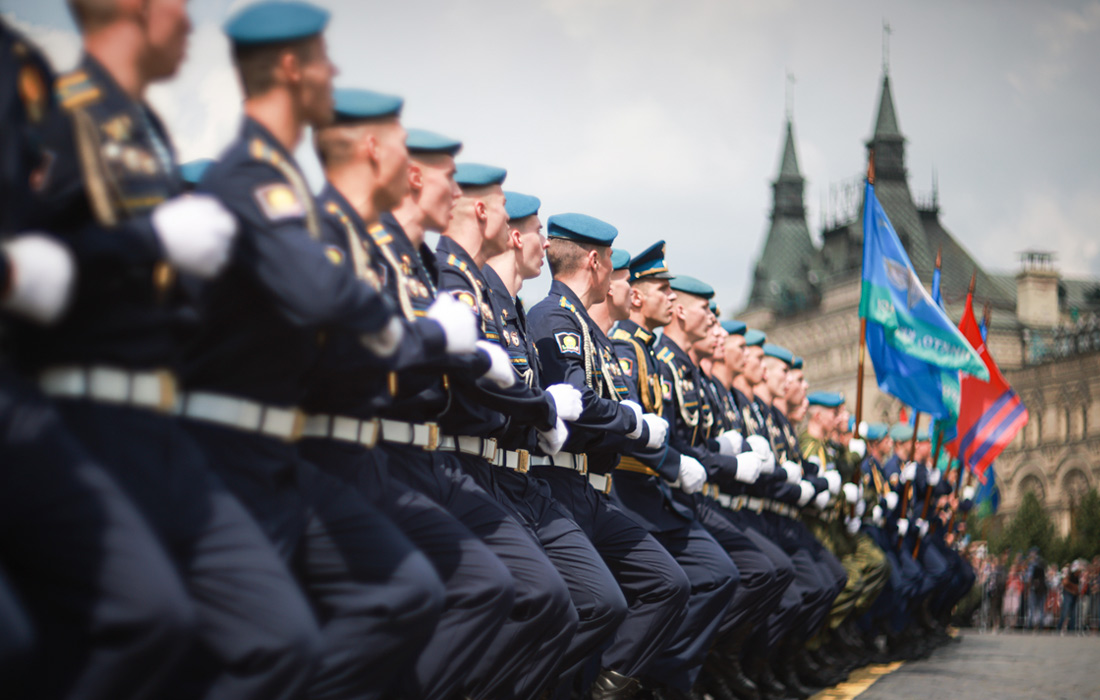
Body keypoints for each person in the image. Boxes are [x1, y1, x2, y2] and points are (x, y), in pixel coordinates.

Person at [20, 1, 337, 697]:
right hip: (89, 415)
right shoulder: (63, 114)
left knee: (278, 637)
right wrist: (148, 242)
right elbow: (31, 261)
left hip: (163, 429)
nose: (191, 21)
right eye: (178, 4)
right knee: (139, 626)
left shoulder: (146, 127)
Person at [183, 4, 455, 697]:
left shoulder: (290, 188)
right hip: (233, 452)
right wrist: (413, 333)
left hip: (281, 454)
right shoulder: (253, 178)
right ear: (290, 68)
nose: (334, 72)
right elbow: (321, 294)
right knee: (266, 646)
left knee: (400, 597)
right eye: (324, 59)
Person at [304, 88, 526, 700]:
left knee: (476, 590)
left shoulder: (413, 258)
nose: (456, 192)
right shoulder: (342, 233)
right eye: (447, 176)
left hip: (395, 454)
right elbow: (350, 348)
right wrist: (437, 342)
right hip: (342, 452)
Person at [528, 213, 691, 700]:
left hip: (592, 489)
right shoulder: (553, 318)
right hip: (557, 484)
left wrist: (631, 423)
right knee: (599, 605)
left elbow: (612, 407)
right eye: (612, 262)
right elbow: (580, 404)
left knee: (668, 583)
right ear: (595, 263)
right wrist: (632, 424)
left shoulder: (591, 330)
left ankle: (605, 690)